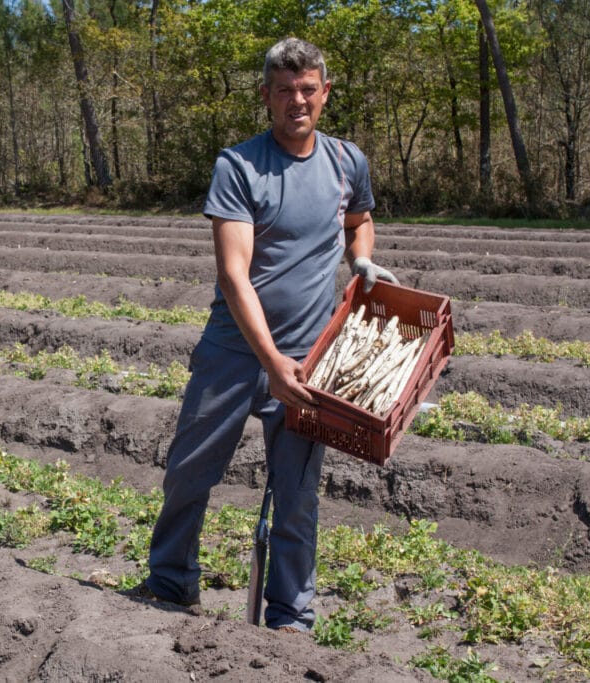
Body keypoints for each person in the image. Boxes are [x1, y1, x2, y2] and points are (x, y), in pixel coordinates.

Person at [123, 38, 398, 632]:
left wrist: (361, 259)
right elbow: (233, 273)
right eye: (285, 90)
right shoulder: (239, 166)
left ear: (325, 92)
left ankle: (290, 618)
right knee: (189, 472)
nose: (297, 101)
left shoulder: (346, 162)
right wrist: (269, 361)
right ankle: (171, 583)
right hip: (233, 352)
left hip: (308, 358)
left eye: (308, 89)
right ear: (267, 95)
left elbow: (360, 220)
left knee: (297, 494)